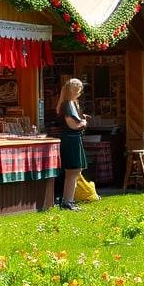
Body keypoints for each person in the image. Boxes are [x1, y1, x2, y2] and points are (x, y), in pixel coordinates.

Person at [56, 78, 88, 211]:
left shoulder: (68, 103)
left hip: (72, 138)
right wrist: (83, 123)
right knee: (72, 170)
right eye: (79, 89)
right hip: (71, 139)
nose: (80, 92)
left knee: (74, 171)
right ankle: (67, 201)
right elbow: (72, 124)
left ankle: (69, 200)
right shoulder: (68, 104)